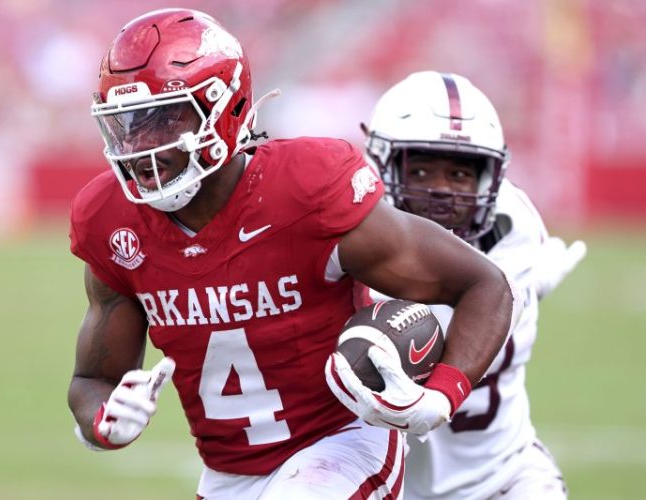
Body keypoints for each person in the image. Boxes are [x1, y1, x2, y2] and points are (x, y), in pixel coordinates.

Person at [67, 10, 520, 499]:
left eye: (163, 119)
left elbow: (483, 284)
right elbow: (93, 378)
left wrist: (443, 395)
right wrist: (103, 420)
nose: (141, 146)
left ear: (225, 109)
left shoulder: (305, 190)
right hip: (228, 475)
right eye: (128, 124)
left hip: (342, 442)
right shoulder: (112, 222)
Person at [362, 70, 586, 499]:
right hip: (380, 482)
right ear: (379, 162)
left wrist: (521, 290)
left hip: (501, 475)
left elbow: (462, 317)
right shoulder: (349, 233)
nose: (442, 191)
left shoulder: (511, 227)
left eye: (460, 175)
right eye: (421, 171)